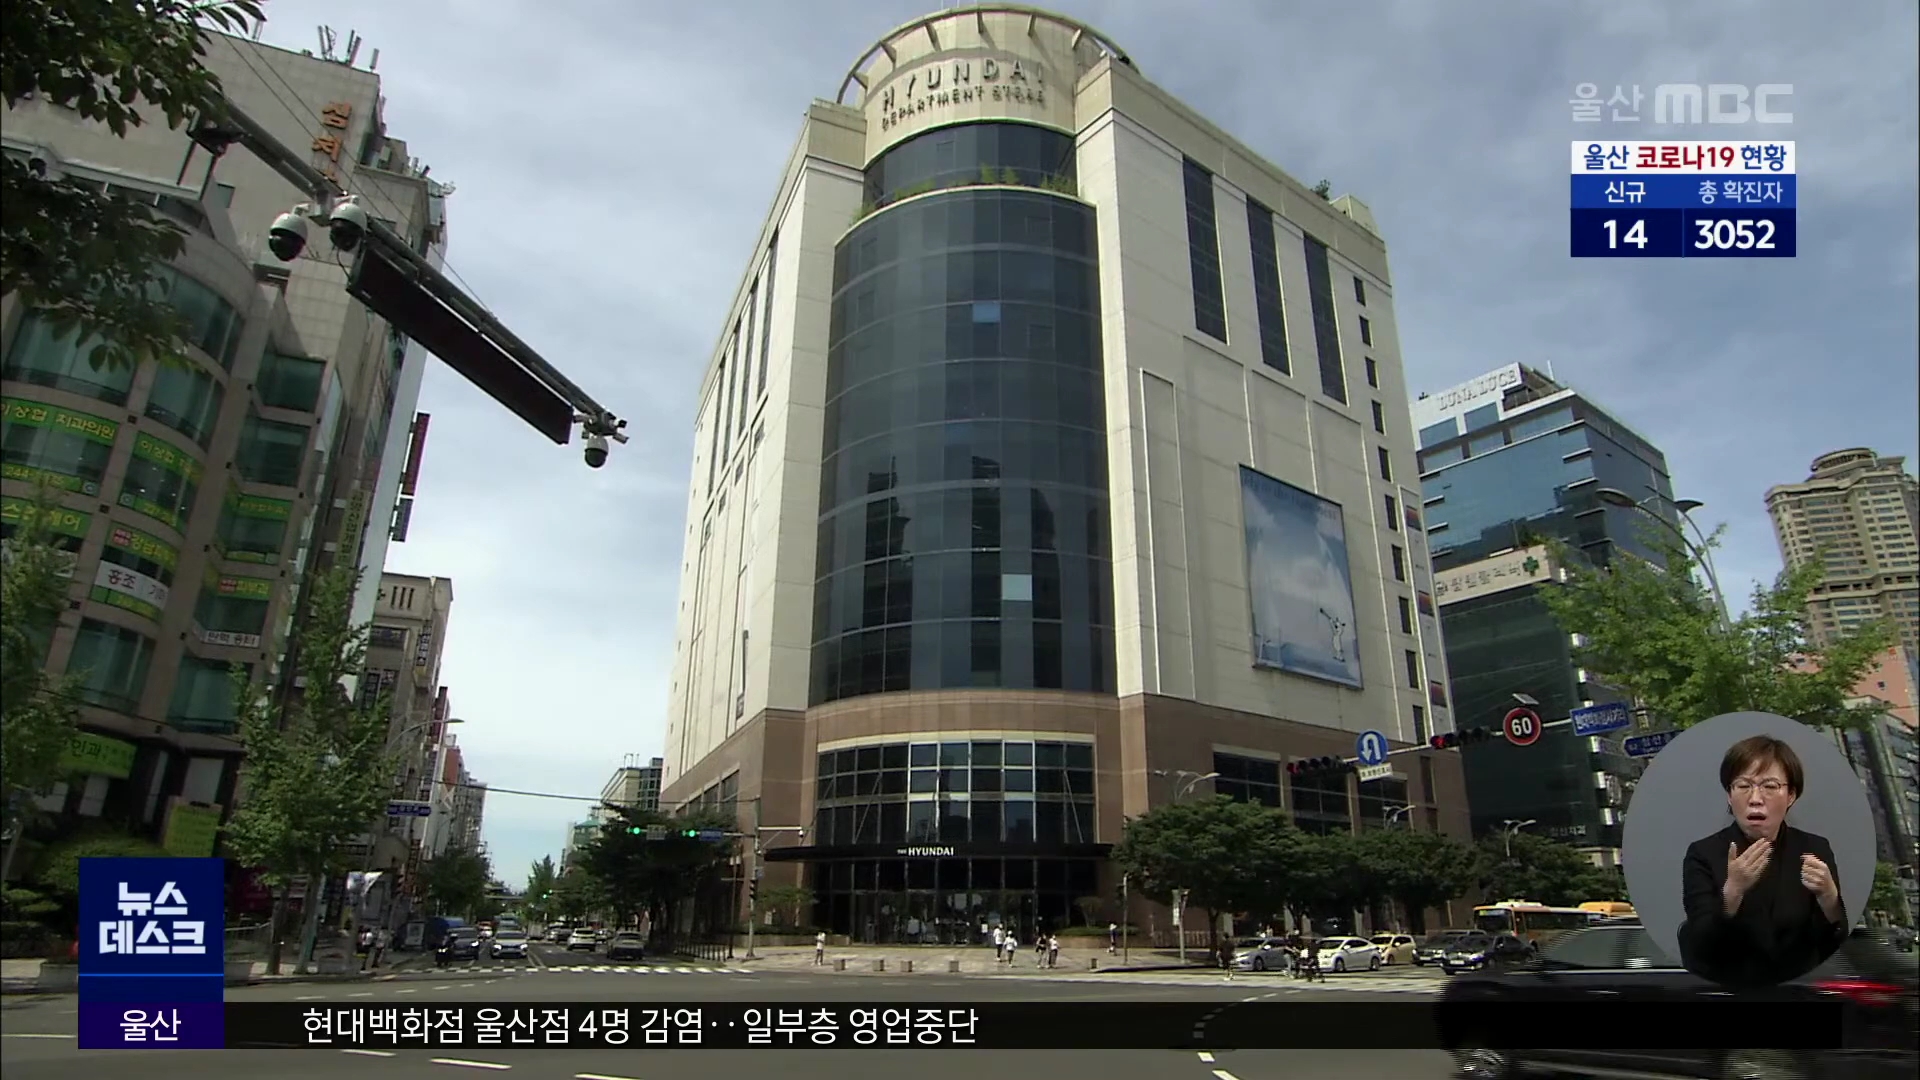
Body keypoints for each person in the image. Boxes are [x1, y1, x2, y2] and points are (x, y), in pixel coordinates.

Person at [1678, 734, 1847, 987]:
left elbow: (1833, 944)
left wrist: (1830, 899)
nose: (1755, 798)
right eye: (1743, 786)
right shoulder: (1702, 854)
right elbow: (1699, 945)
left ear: (1790, 795)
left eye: (1769, 786)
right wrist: (1732, 893)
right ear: (1729, 795)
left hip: (1801, 990)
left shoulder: (1814, 848)